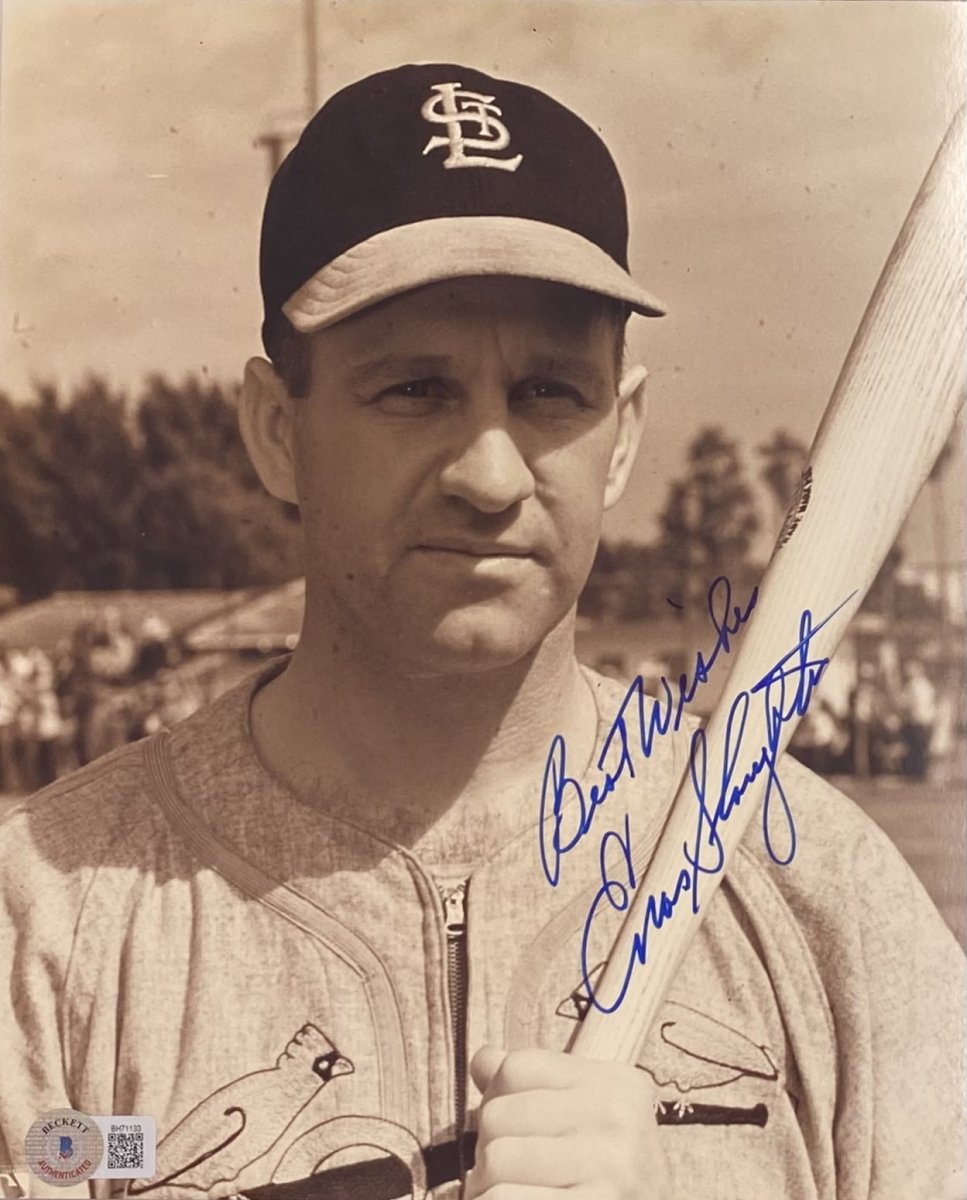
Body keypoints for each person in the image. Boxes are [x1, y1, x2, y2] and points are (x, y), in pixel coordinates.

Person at [0, 63, 963, 1200]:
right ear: (274, 430)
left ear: (620, 435)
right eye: (413, 389)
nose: (491, 475)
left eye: (550, 392)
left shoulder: (825, 899)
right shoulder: (48, 920)